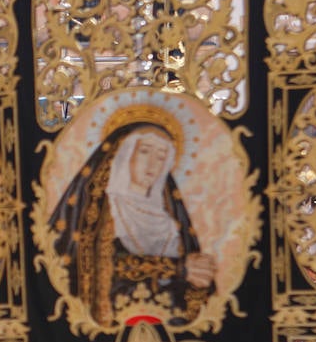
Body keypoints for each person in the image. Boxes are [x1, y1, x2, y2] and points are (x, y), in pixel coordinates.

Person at [49, 109, 217, 325]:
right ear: (125, 154)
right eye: (145, 151)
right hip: (115, 324)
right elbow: (104, 267)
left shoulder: (170, 216)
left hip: (171, 328)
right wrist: (178, 268)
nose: (153, 163)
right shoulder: (102, 209)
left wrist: (199, 277)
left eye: (161, 156)